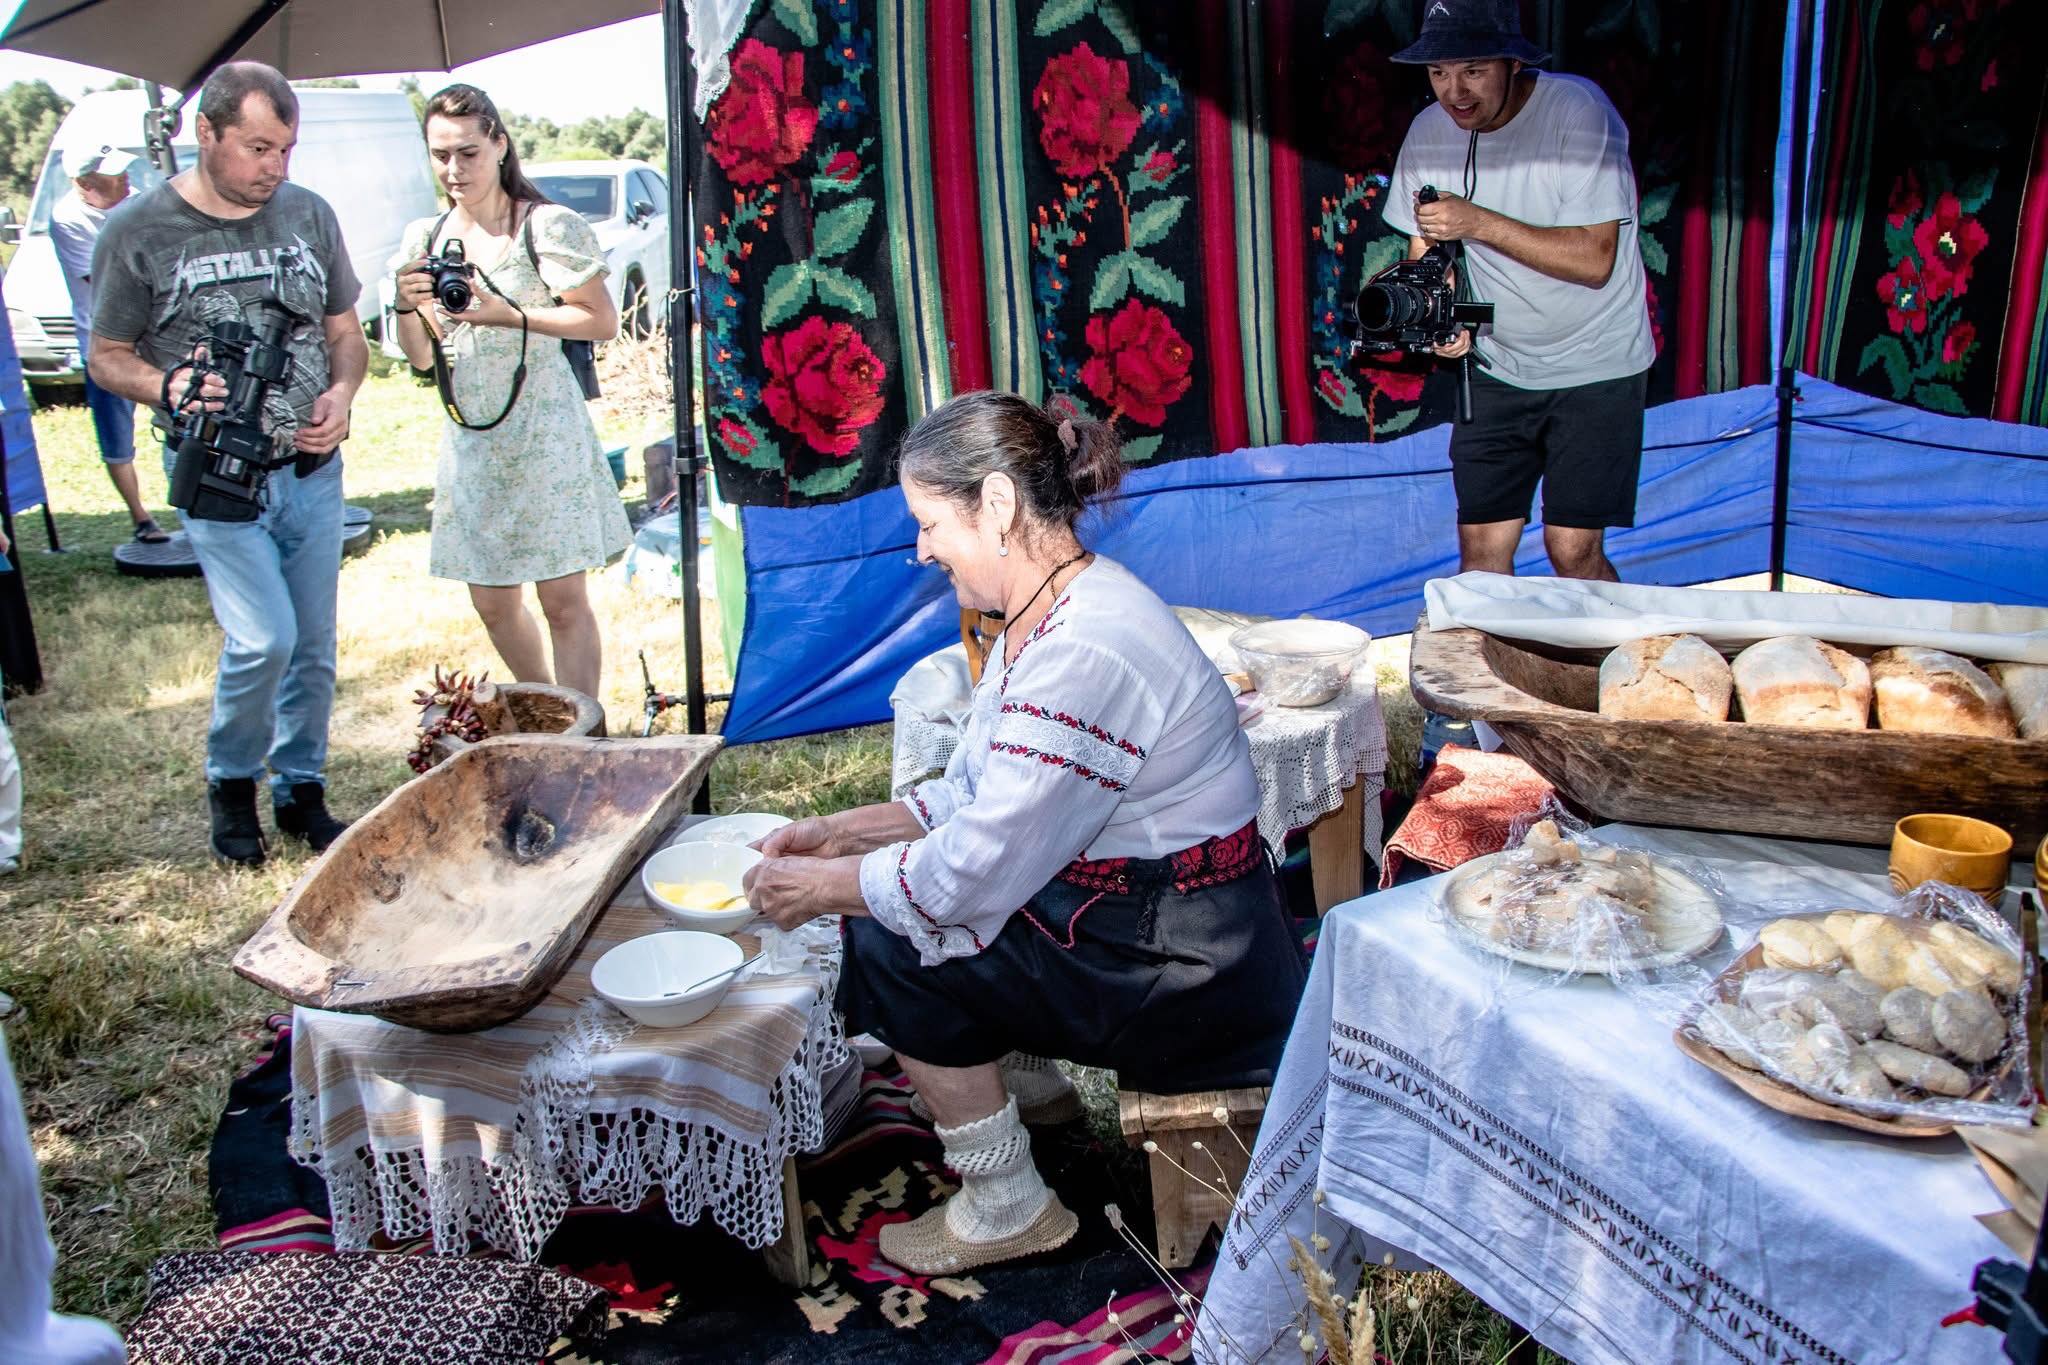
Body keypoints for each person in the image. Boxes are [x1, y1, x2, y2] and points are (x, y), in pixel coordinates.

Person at [741, 392, 1308, 1276]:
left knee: (887, 938)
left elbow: (971, 868)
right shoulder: (1054, 606)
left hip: (1195, 970)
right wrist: (834, 833)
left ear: (997, 505)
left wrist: (821, 889)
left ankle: (1009, 1203)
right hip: (1162, 923)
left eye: (930, 522)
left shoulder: (1086, 647)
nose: (921, 547)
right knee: (903, 897)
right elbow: (976, 796)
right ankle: (1028, 1086)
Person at [88, 62, 364, 867]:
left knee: (312, 644)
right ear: (204, 133)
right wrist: (168, 384)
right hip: (217, 478)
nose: (275, 167)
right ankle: (232, 778)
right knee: (264, 639)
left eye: (285, 149)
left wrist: (342, 394)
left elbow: (345, 332)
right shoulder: (138, 229)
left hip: (311, 472)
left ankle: (301, 788)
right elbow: (105, 356)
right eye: (257, 148)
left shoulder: (309, 214)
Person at [1380, 0, 1654, 581]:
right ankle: (1483, 651)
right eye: (1438, 73)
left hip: (1596, 364)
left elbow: (1595, 260)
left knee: (1572, 550)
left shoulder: (1577, 113)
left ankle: (1613, 645)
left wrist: (1477, 222)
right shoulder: (1428, 131)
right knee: (1481, 555)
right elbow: (1425, 253)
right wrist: (1440, 320)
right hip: (1497, 365)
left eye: (1474, 70)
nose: (1455, 92)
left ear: (1513, 63)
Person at [389, 84, 629, 700]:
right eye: (440, 154)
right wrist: (406, 304)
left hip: (545, 430)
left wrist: (509, 315)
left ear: (499, 144)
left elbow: (601, 321)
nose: (453, 169)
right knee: (492, 603)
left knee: (563, 601)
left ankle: (583, 731)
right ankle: (546, 709)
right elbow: (421, 356)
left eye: (467, 152)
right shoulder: (425, 237)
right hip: (472, 437)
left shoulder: (545, 225)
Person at [48, 144, 165, 543]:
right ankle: (141, 518)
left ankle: (198, 502)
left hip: (156, 337)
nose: (125, 179)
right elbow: (108, 284)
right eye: (113, 175)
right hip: (105, 347)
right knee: (117, 437)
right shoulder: (67, 219)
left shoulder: (137, 201)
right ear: (84, 184)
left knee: (186, 419)